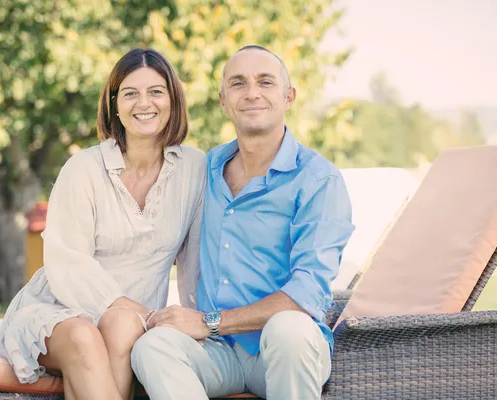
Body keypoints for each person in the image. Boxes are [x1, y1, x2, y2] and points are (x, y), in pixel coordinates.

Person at [130, 45, 355, 400]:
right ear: (223, 100)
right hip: (219, 351)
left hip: (284, 352)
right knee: (152, 347)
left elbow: (308, 293)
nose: (251, 93)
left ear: (288, 96)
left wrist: (208, 321)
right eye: (238, 83)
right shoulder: (205, 169)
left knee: (288, 329)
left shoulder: (318, 180)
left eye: (265, 82)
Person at [0, 48, 206, 400]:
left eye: (156, 91)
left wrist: (197, 319)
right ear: (114, 104)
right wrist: (140, 311)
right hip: (59, 310)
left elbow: (196, 258)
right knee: (85, 336)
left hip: (131, 321)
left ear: (173, 99)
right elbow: (67, 264)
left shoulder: (194, 168)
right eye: (130, 93)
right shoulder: (83, 169)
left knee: (122, 325)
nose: (144, 103)